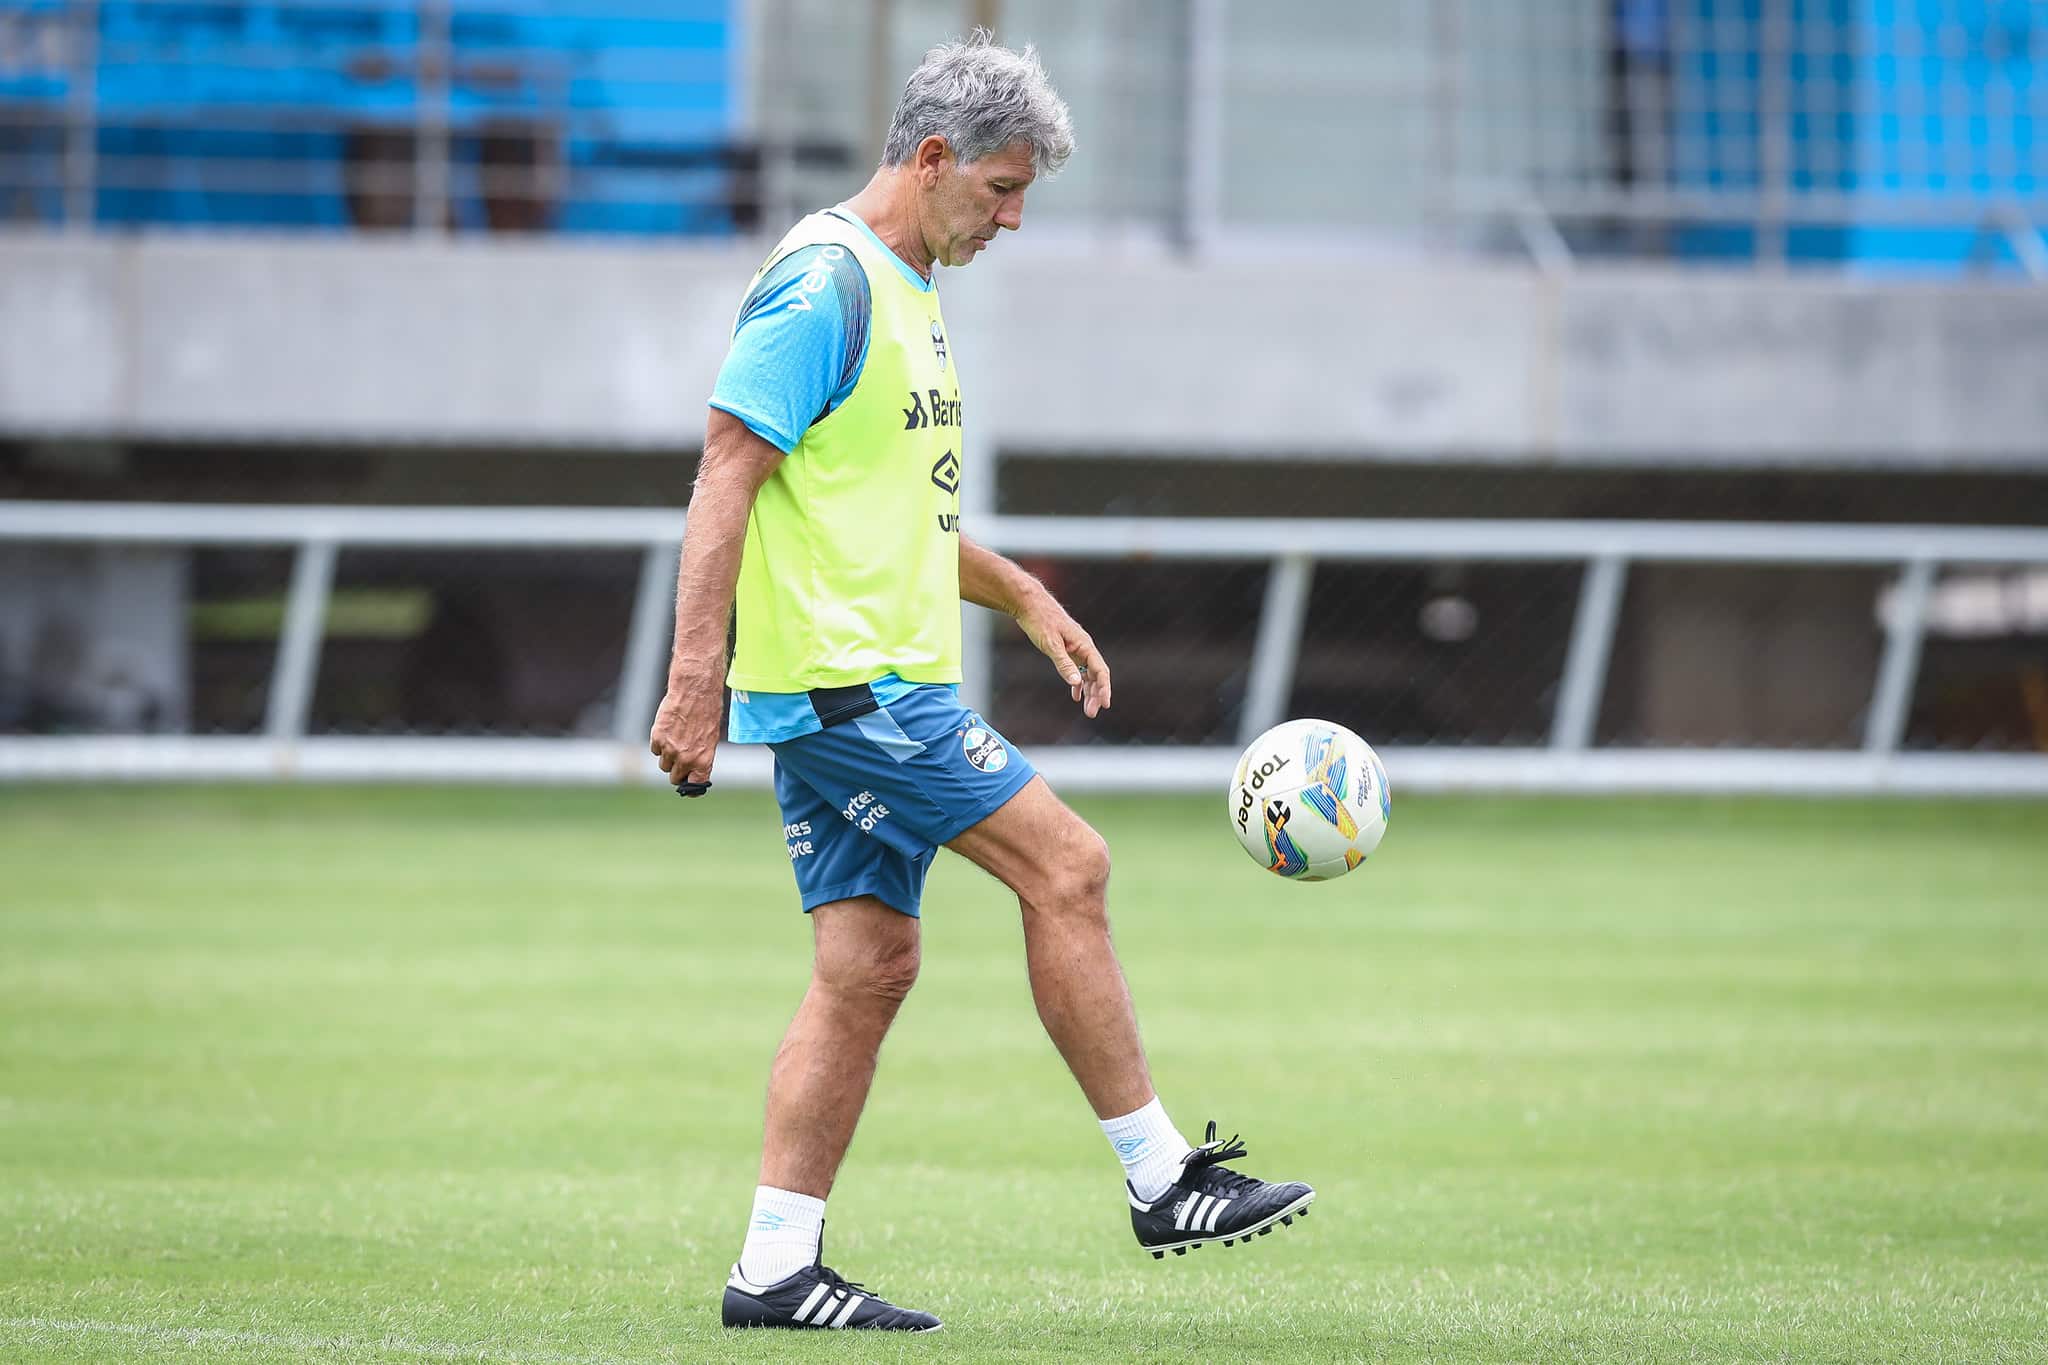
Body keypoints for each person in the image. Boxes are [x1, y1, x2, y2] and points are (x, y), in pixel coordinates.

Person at [648, 31, 1314, 1334]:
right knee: (1069, 867)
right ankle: (1162, 1178)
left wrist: (1020, 593)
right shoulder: (826, 284)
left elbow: (882, 511)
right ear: (934, 157)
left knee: (868, 964)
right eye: (1002, 191)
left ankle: (775, 1268)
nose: (1012, 219)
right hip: (855, 691)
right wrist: (692, 678)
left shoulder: (910, 286)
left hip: (869, 684)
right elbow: (729, 466)